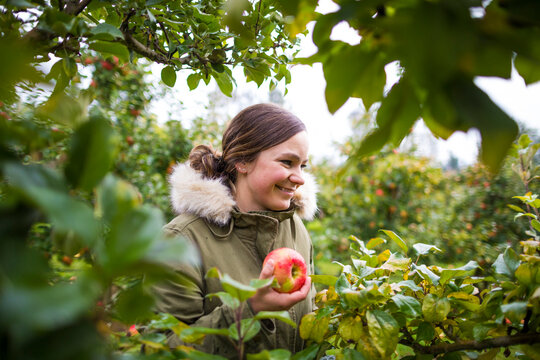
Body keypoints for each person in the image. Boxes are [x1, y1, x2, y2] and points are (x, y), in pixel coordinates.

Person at [153, 103, 318, 357]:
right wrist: (250, 309)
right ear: (242, 162)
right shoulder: (181, 241)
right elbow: (160, 350)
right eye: (287, 162)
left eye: (302, 166)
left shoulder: (295, 228)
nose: (299, 177)